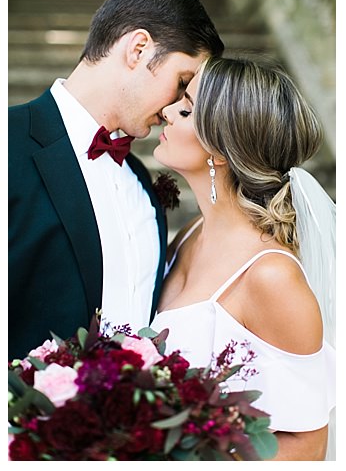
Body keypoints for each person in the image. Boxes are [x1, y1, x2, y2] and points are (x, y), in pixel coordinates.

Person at [8, 0, 224, 360]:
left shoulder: (143, 182)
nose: (178, 107)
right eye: (182, 82)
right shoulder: (9, 141)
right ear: (138, 49)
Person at [151, 56, 336, 460]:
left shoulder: (272, 278)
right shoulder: (189, 234)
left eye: (185, 109)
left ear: (218, 149)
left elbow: (308, 448)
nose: (165, 111)